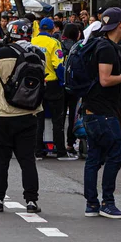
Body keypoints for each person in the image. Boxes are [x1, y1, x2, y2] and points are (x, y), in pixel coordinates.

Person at [82, 7, 121, 219]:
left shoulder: (97, 44)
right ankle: (107, 202)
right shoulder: (106, 48)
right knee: (116, 154)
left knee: (94, 157)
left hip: (92, 110)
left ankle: (91, 204)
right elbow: (105, 79)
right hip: (103, 113)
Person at [0, 19, 44, 213]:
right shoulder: (39, 54)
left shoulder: (2, 53)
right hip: (29, 113)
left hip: (3, 113)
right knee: (27, 160)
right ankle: (31, 201)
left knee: (0, 159)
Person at [32, 18, 74, 160]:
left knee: (39, 118)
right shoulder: (54, 43)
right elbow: (59, 66)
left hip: (36, 84)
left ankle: (37, 151)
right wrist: (63, 82)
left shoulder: (32, 42)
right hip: (52, 84)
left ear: (39, 29)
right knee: (57, 119)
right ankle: (60, 151)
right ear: (52, 30)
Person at [61, 23, 81, 154]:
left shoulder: (59, 45)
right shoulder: (79, 48)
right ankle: (70, 142)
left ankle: (57, 141)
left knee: (60, 115)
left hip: (60, 85)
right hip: (75, 85)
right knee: (73, 114)